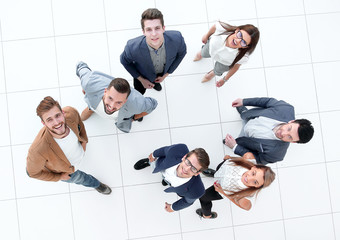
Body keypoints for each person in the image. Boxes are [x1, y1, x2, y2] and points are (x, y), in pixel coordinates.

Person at [26, 96, 111, 194]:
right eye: (49, 120)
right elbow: (32, 173)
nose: (57, 123)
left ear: (63, 112)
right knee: (82, 179)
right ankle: (96, 184)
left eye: (58, 115)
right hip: (67, 171)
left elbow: (81, 126)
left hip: (78, 154)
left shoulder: (71, 113)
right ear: (43, 123)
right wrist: (59, 177)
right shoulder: (38, 150)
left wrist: (84, 142)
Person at [223, 97, 314, 164]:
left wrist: (235, 146)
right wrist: (244, 102)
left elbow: (257, 160)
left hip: (246, 138)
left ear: (293, 142)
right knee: (244, 115)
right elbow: (267, 102)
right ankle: (243, 112)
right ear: (292, 121)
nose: (283, 133)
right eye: (289, 128)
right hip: (252, 117)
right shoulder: (286, 109)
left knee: (233, 142)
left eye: (289, 137)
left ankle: (230, 142)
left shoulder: (277, 154)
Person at [76, 62, 157, 133]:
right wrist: (85, 88)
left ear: (125, 101)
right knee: (84, 115)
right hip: (94, 103)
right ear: (105, 91)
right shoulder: (89, 82)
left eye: (119, 102)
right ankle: (91, 109)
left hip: (123, 115)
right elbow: (80, 65)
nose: (111, 106)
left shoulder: (137, 104)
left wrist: (135, 117)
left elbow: (153, 104)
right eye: (110, 98)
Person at [120, 8, 187, 95]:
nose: (154, 34)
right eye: (149, 29)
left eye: (157, 28)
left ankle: (156, 84)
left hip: (161, 73)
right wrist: (141, 79)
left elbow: (182, 53)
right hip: (142, 74)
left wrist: (166, 74)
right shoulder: (132, 47)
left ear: (163, 28)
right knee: (139, 91)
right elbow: (124, 61)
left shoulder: (177, 38)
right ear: (143, 32)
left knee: (156, 82)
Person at [134, 144, 210, 212]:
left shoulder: (197, 191)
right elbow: (164, 150)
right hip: (161, 166)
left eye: (193, 168)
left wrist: (173, 208)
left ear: (197, 173)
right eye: (188, 162)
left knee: (167, 181)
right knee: (153, 164)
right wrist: (153, 155)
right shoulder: (179, 149)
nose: (186, 169)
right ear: (184, 157)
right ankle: (148, 162)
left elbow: (187, 201)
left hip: (175, 185)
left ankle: (166, 181)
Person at [196, 155, 275, 219]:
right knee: (218, 170)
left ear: (257, 186)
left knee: (203, 197)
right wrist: (230, 158)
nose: (249, 178)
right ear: (254, 167)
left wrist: (223, 192)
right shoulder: (248, 160)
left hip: (221, 188)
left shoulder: (244, 192)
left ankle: (207, 215)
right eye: (253, 173)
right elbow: (244, 157)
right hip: (224, 170)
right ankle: (214, 174)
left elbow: (247, 207)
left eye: (255, 182)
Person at [193, 21, 259, 87]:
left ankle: (211, 74)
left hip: (225, 63)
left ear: (245, 46)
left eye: (243, 42)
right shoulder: (223, 29)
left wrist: (225, 79)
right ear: (237, 30)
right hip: (211, 48)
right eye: (240, 35)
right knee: (203, 53)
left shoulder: (243, 56)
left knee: (218, 70)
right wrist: (207, 35)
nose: (238, 40)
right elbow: (214, 27)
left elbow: (235, 67)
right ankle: (201, 54)